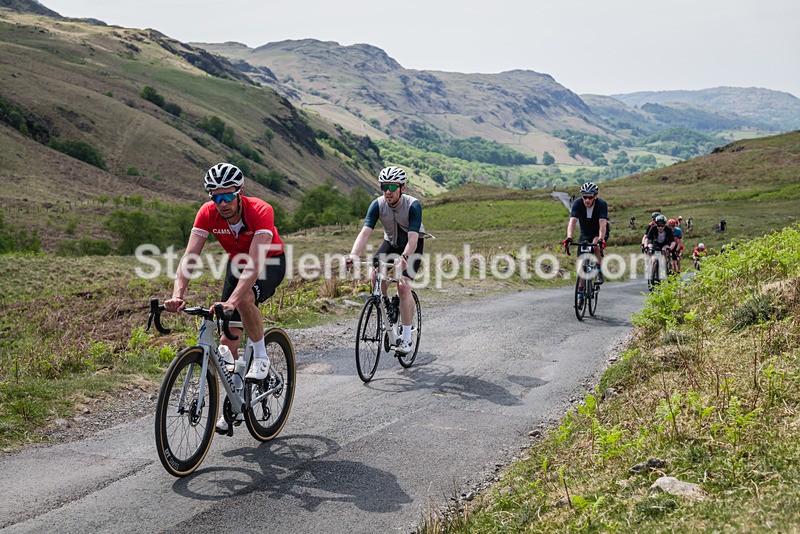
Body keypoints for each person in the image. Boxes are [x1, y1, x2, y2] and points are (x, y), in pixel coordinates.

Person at [164, 162, 286, 433]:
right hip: (238, 263)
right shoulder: (207, 214)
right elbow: (189, 258)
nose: (222, 203)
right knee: (226, 338)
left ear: (239, 193)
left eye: (228, 196)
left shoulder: (260, 210)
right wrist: (177, 294)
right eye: (216, 197)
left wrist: (233, 301)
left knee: (242, 301)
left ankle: (262, 358)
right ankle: (233, 403)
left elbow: (255, 264)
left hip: (270, 261)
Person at [346, 166, 431, 354]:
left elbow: (413, 240)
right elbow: (365, 232)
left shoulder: (413, 205)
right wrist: (353, 254)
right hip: (390, 243)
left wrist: (405, 257)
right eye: (384, 186)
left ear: (402, 188)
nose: (387, 191)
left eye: (392, 187)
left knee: (403, 286)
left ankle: (407, 338)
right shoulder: (377, 204)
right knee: (375, 274)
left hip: (411, 246)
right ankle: (385, 305)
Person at [563, 182, 609, 284]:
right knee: (581, 263)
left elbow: (602, 224)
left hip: (599, 231)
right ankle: (580, 293)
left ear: (595, 196)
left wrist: (601, 238)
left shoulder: (602, 204)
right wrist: (569, 237)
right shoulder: (577, 203)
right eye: (584, 197)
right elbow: (572, 222)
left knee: (596, 246)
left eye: (590, 197)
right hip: (585, 232)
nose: (587, 200)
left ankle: (599, 271)